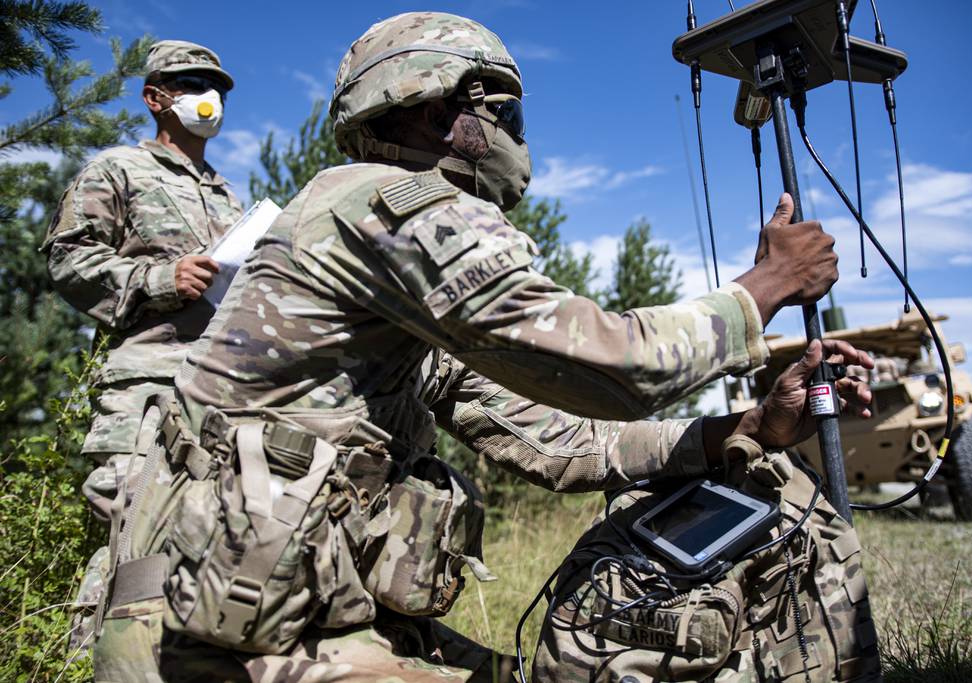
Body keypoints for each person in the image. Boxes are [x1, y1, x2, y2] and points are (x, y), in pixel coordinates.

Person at [93, 12, 873, 682]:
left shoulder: (393, 291)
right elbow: (618, 368)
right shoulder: (388, 205)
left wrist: (747, 427)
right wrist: (764, 286)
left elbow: (561, 440)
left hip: (251, 620)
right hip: (211, 645)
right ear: (442, 118)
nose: (514, 142)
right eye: (508, 117)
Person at [42, 39, 242, 656]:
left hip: (222, 388)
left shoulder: (229, 196)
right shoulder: (116, 170)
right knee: (131, 526)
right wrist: (159, 279)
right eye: (191, 83)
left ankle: (176, 663)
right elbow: (66, 257)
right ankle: (87, 662)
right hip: (146, 385)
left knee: (210, 531)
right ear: (155, 97)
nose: (209, 97)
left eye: (217, 86)